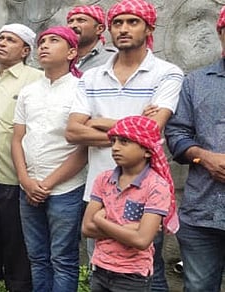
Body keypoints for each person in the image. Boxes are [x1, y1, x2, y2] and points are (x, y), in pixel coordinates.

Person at [66, 2, 183, 290]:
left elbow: (153, 129)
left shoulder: (167, 73)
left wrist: (99, 121)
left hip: (145, 188)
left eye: (133, 22)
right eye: (117, 23)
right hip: (100, 189)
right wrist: (132, 130)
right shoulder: (91, 77)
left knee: (145, 272)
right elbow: (72, 130)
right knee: (102, 269)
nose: (124, 28)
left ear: (149, 28)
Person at [11, 26, 88, 292]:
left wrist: (47, 184)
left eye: (53, 41)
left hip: (65, 189)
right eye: (42, 41)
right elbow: (17, 138)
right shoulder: (28, 91)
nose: (43, 45)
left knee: (63, 259)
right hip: (28, 187)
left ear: (71, 52)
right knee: (37, 257)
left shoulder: (83, 89)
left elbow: (83, 148)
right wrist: (25, 180)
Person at [0, 23, 42, 292]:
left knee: (17, 246)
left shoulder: (35, 79)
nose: (1, 43)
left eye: (10, 40)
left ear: (25, 50)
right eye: (0, 37)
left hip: (17, 177)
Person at [164, 7, 225, 290]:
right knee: (199, 287)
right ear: (220, 34)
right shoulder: (195, 82)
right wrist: (204, 157)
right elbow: (176, 133)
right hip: (203, 212)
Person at [82, 116, 175, 292]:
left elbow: (141, 240)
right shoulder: (103, 179)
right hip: (100, 269)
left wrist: (100, 220)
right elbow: (87, 228)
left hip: (133, 275)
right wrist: (132, 229)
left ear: (147, 150)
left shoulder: (156, 186)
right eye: (114, 141)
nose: (115, 147)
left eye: (124, 142)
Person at [67, 5, 117, 71]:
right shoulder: (58, 58)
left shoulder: (113, 59)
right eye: (70, 21)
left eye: (81, 20)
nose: (73, 25)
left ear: (99, 29)